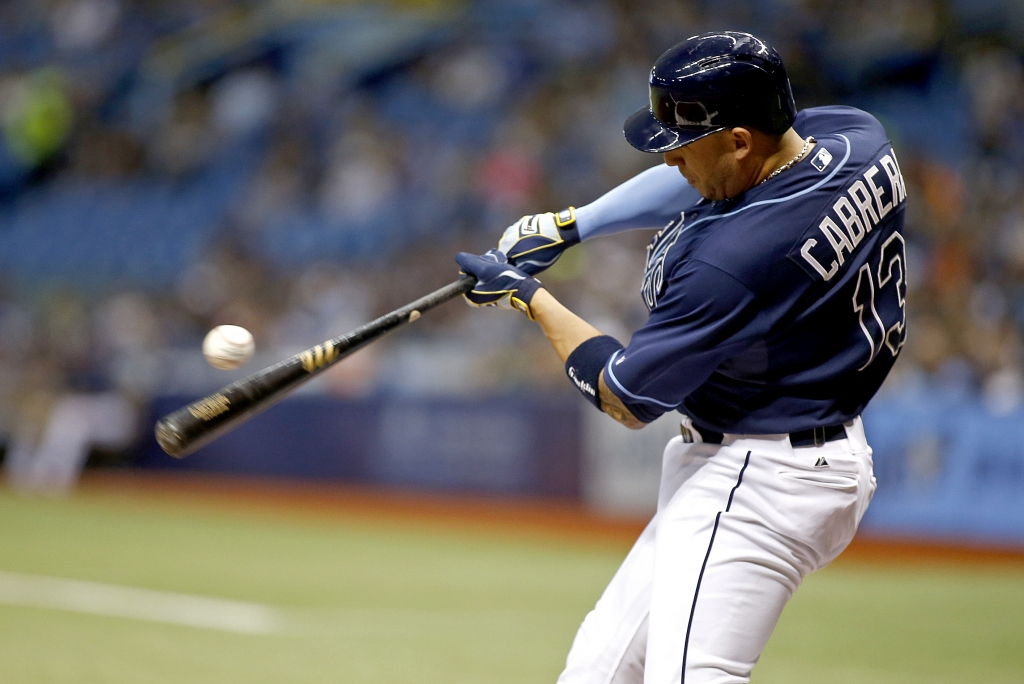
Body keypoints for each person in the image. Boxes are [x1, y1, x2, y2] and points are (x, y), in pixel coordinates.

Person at [455, 31, 906, 684]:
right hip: (791, 448)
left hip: (762, 475)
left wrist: (527, 299)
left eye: (683, 145)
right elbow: (716, 175)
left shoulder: (735, 261)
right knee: (597, 671)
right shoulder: (854, 137)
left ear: (741, 138)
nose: (672, 163)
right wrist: (572, 225)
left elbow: (625, 395)